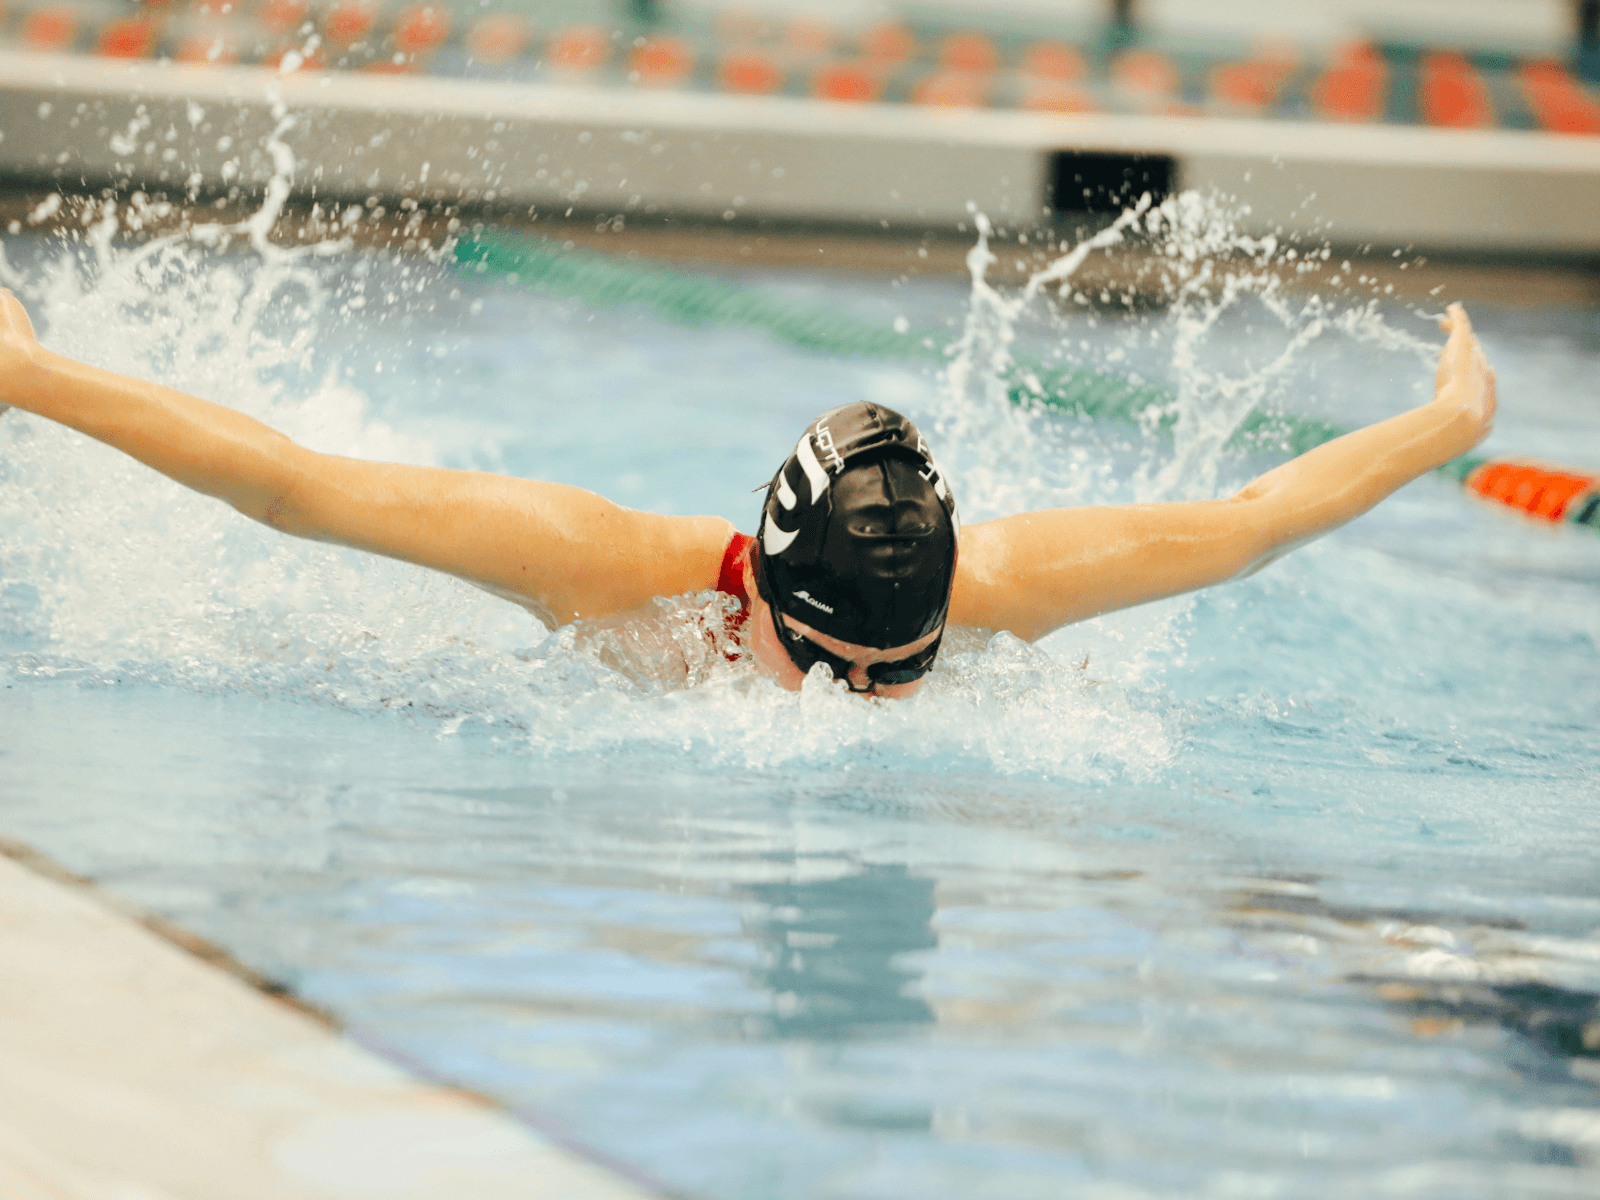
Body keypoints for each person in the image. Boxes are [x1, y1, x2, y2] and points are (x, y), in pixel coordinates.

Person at [0, 290, 1496, 698]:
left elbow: (1249, 528)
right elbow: (289, 485)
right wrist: (25, 373)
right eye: (832, 672)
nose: (849, 707)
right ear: (761, 592)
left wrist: (1445, 428)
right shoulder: (597, 567)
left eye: (894, 681)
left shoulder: (1004, 589)